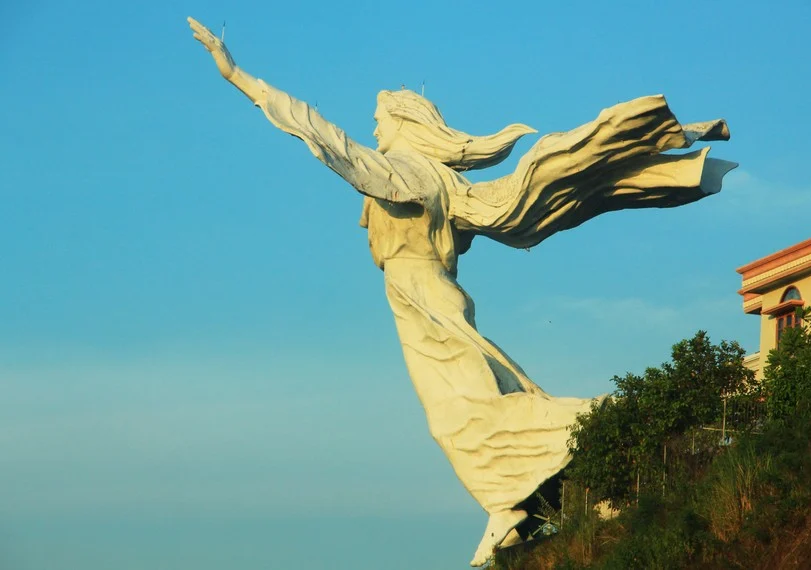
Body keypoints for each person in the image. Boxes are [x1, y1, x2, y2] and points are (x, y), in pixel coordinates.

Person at [188, 17, 737, 566]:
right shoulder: (445, 181)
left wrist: (237, 76)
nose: (374, 128)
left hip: (421, 296)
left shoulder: (402, 172)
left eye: (380, 120)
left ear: (404, 124)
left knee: (460, 415)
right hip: (432, 293)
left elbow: (322, 134)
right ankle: (529, 494)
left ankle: (582, 443)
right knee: (481, 400)